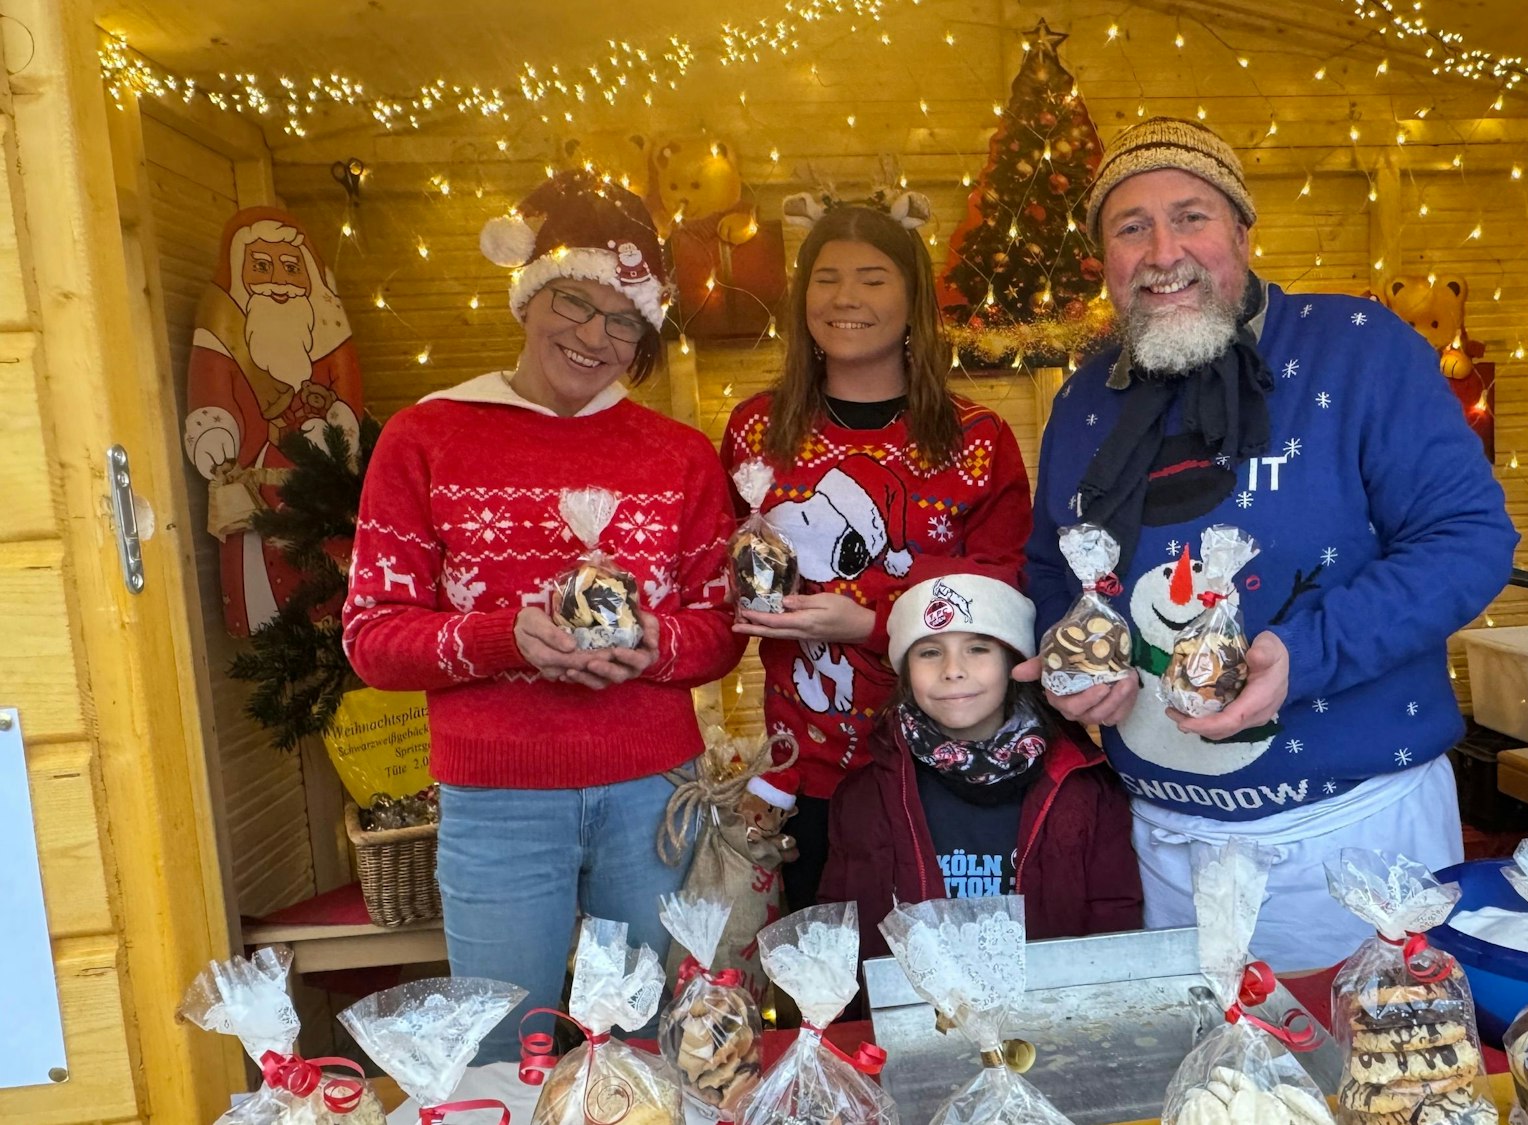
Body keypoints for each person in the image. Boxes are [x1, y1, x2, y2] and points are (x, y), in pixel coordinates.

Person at [1020, 118, 1520, 968]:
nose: (1162, 250)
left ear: (1245, 234)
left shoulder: (1358, 350)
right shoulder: (1082, 402)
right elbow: (1050, 568)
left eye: (1191, 217)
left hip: (1354, 843)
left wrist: (1308, 651)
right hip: (1162, 848)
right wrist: (1068, 660)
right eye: (1130, 227)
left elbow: (1469, 538)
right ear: (1105, 260)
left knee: (1374, 1083)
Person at [342, 171, 743, 1060]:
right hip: (496, 798)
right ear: (529, 295)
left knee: (649, 1042)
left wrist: (653, 643)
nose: (593, 336)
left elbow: (721, 627)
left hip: (653, 792)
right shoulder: (427, 436)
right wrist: (500, 638)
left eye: (622, 320)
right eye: (573, 302)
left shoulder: (676, 453)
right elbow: (371, 636)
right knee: (500, 1043)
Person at [724, 192, 1033, 914]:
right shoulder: (755, 431)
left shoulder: (977, 438)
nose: (846, 298)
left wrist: (866, 621)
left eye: (872, 277)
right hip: (807, 777)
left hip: (948, 763)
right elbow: (724, 570)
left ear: (912, 297)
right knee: (827, 985)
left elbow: (1004, 588)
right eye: (827, 278)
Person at [820, 560, 1142, 959]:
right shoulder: (864, 797)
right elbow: (841, 939)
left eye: (977, 648)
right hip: (917, 1017)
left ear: (1014, 663)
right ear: (904, 673)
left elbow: (1115, 923)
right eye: (929, 652)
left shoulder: (1085, 787)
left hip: (1052, 1015)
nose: (953, 670)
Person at [183, 207, 363, 636]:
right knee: (263, 577)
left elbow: (348, 398)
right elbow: (211, 392)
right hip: (253, 485)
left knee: (328, 574)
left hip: (319, 485)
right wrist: (214, 431)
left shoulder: (328, 336)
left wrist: (337, 430)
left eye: (290, 268)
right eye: (261, 267)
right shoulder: (222, 338)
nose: (278, 281)